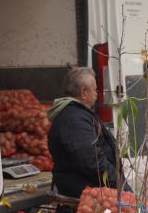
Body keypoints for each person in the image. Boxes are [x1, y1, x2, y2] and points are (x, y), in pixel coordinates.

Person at [47, 66, 129, 199]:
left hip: (92, 189)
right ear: (83, 92)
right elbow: (92, 161)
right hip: (87, 193)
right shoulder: (74, 119)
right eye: (95, 90)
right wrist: (120, 187)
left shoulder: (75, 115)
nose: (97, 94)